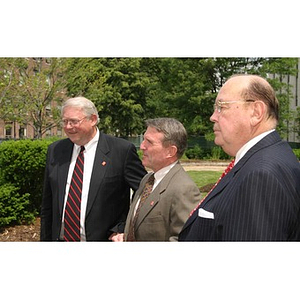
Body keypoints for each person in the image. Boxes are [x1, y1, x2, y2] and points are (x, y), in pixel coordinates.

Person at [179, 74, 300, 241]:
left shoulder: (261, 174)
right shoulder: (265, 159)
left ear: (256, 112)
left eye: (221, 107)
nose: (213, 116)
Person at [40, 96, 147, 241]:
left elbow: (143, 191)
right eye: (65, 121)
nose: (68, 127)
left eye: (74, 121)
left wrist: (123, 227)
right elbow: (48, 202)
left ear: (93, 120)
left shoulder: (121, 151)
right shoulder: (56, 150)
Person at [110, 117, 201, 242]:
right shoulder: (147, 179)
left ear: (170, 151)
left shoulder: (184, 189)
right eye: (143, 140)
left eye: (149, 142)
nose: (142, 146)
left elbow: (184, 239)